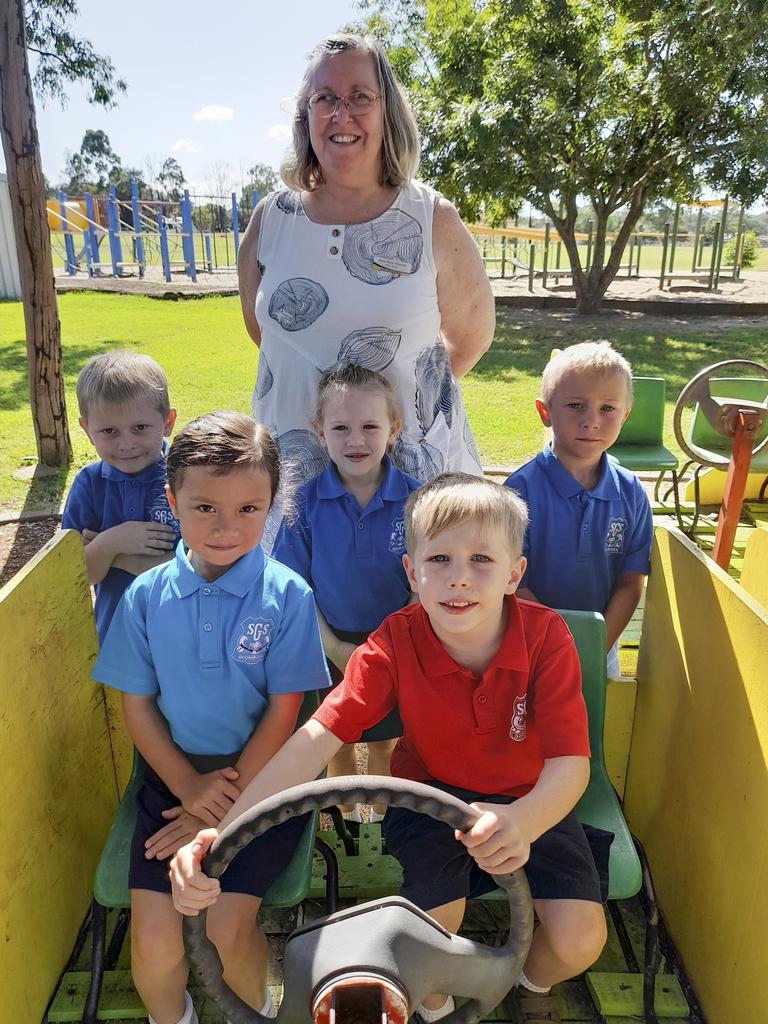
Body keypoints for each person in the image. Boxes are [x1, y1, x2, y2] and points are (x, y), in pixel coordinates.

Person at [170, 474, 608, 1024]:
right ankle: (438, 1005)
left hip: (530, 799)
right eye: (440, 559)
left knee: (580, 941)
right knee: (427, 942)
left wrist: (525, 819)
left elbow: (571, 765)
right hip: (430, 798)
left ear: (514, 574)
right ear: (412, 571)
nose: (459, 579)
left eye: (481, 560)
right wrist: (224, 830)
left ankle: (526, 980)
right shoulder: (394, 641)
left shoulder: (546, 638)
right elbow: (315, 739)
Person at [92, 412, 331, 1024]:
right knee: (154, 937)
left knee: (225, 926)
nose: (227, 527)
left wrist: (224, 800)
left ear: (272, 504)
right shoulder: (147, 596)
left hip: (263, 786)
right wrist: (189, 790)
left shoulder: (288, 596)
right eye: (205, 509)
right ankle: (171, 1018)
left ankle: (256, 1012)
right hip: (172, 786)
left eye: (250, 509)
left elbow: (286, 711)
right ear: (172, 502)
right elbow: (137, 705)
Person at [237, 32, 494, 520]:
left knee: (421, 594)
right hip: (294, 476)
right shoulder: (270, 220)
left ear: (386, 111)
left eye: (360, 97)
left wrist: (389, 407)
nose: (341, 114)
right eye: (325, 99)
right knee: (300, 595)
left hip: (415, 477)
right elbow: (265, 334)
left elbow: (470, 338)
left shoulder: (431, 218)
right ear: (305, 115)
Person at [272, 364, 420, 821]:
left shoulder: (418, 501)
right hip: (327, 642)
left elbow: (426, 585)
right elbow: (293, 589)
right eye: (340, 428)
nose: (356, 440)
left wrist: (393, 647)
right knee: (335, 737)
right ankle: (346, 824)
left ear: (393, 429)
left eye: (370, 426)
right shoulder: (304, 504)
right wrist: (334, 646)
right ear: (319, 432)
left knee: (384, 740)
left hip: (396, 644)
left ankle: (378, 822)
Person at [505, 342, 653, 678]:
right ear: (545, 412)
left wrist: (595, 645)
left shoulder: (631, 493)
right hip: (529, 646)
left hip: (601, 647)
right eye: (575, 405)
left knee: (592, 725)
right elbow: (512, 582)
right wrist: (557, 645)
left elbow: (631, 582)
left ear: (625, 415)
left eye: (608, 408)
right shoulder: (517, 492)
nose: (591, 421)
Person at [61, 350, 179, 642]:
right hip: (117, 637)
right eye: (109, 431)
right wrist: (112, 542)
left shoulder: (186, 477)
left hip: (185, 635)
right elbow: (75, 576)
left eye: (140, 428)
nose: (126, 444)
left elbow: (205, 566)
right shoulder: (88, 486)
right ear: (87, 431)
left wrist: (114, 556)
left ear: (167, 422)